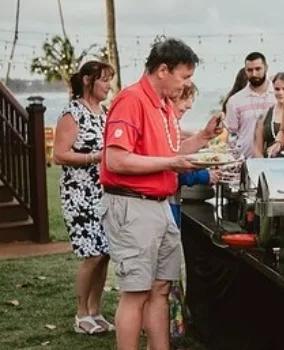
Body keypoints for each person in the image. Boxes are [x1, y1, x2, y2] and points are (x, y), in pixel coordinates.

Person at [100, 38, 223, 350]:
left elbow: (171, 152)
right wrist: (171, 162)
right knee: (136, 293)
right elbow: (116, 159)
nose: (187, 84)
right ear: (163, 70)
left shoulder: (165, 107)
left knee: (160, 288)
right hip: (132, 206)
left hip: (160, 207)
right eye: (184, 76)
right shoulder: (131, 99)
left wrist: (204, 136)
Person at [53, 60, 116, 335]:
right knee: (91, 255)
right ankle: (80, 315)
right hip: (78, 194)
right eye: (105, 80)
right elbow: (59, 154)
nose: (109, 86)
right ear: (89, 81)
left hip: (102, 192)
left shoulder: (104, 112)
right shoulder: (72, 112)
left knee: (104, 254)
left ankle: (95, 310)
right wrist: (94, 157)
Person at [165, 82, 219, 341]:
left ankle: (173, 325)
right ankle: (170, 329)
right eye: (184, 100)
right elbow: (172, 172)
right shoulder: (164, 126)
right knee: (167, 274)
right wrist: (205, 174)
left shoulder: (172, 126)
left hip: (172, 204)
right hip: (165, 207)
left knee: (172, 272)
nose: (187, 106)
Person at [225, 52, 276, 159]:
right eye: (250, 70)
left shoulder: (278, 96)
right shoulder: (235, 101)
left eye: (258, 69)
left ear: (266, 68)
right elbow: (231, 135)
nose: (254, 74)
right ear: (245, 71)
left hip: (276, 158)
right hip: (245, 160)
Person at [253, 72, 284, 157]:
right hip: (270, 162)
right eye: (277, 89)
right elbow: (257, 147)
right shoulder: (265, 114)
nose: (280, 92)